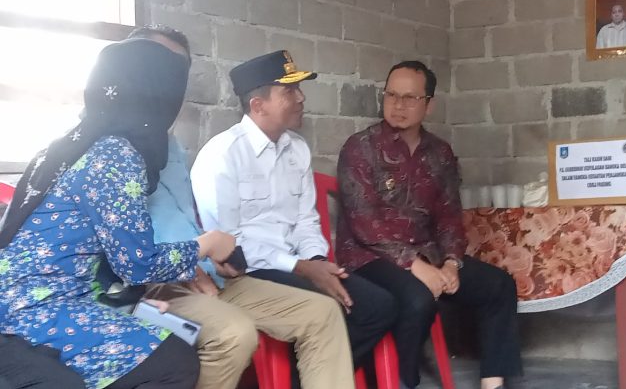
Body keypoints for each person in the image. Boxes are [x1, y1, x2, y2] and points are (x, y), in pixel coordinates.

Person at [122, 27, 356, 389]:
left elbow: (194, 226)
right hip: (158, 281)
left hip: (213, 272)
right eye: (160, 65)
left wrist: (312, 258)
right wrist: (188, 260)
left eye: (178, 69)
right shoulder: (113, 149)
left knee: (325, 312)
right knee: (234, 332)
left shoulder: (171, 147)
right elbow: (131, 248)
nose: (170, 80)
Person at [0, 37, 239, 388]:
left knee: (153, 338)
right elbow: (137, 264)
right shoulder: (116, 156)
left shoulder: (70, 144)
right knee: (174, 361)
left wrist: (123, 303)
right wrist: (207, 244)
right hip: (34, 312)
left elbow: (81, 250)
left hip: (24, 298)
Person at [190, 50, 397, 370]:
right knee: (328, 306)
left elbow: (305, 219)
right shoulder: (222, 155)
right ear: (258, 105)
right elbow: (229, 245)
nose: (301, 97)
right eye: (289, 91)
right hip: (248, 272)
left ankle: (309, 377)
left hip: (297, 263)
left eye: (298, 88)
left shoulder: (296, 149)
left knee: (378, 305)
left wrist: (317, 261)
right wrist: (301, 267)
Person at [335, 61, 522, 389]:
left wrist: (451, 263)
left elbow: (449, 215)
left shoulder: (440, 153)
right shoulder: (360, 148)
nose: (398, 105)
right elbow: (365, 223)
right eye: (391, 95)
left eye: (410, 97)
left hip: (429, 255)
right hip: (369, 258)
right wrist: (414, 266)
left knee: (498, 286)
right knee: (417, 298)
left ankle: (493, 384)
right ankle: (403, 381)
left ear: (429, 104)